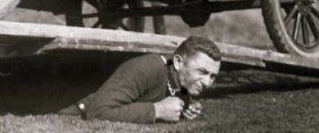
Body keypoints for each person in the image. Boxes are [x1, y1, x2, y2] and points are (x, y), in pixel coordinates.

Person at [60, 36, 221, 124]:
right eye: (202, 71)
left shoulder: (176, 78)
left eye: (212, 76)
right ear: (178, 62)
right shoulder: (148, 67)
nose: (207, 82)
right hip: (54, 102)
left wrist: (187, 104)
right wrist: (157, 110)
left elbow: (166, 89)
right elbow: (97, 112)